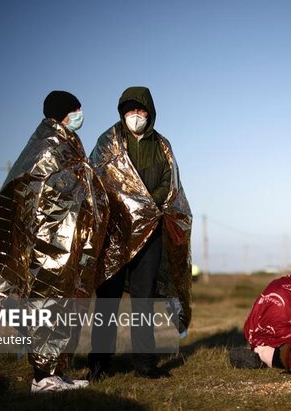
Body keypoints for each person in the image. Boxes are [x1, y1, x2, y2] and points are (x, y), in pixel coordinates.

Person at [0, 91, 109, 393]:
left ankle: (57, 372)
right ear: (64, 112)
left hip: (65, 243)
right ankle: (42, 377)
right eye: (76, 109)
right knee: (48, 305)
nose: (80, 114)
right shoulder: (48, 145)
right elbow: (40, 191)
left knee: (65, 306)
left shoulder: (63, 142)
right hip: (48, 246)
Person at [87, 86, 192, 380]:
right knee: (108, 299)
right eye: (130, 110)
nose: (136, 116)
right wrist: (127, 206)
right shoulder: (108, 142)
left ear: (150, 112)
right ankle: (99, 363)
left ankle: (145, 364)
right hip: (115, 233)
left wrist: (146, 202)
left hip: (150, 232)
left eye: (141, 110)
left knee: (143, 300)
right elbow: (98, 180)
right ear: (122, 112)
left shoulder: (162, 146)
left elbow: (169, 184)